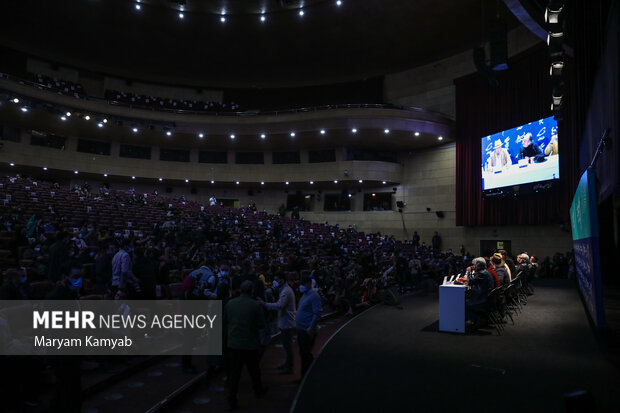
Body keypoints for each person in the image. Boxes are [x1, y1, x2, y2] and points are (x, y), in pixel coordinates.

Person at [224, 280, 268, 410]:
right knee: (254, 371)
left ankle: (232, 399)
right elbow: (261, 324)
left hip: (233, 343)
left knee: (234, 374)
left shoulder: (230, 303)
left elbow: (226, 320)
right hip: (249, 344)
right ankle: (258, 391)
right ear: (252, 291)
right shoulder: (255, 305)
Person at [262, 273, 296, 374]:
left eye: (277, 279)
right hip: (285, 321)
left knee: (288, 345)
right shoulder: (283, 289)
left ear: (282, 280)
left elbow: (279, 305)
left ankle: (289, 367)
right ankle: (287, 364)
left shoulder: (286, 291)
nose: (275, 282)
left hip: (287, 321)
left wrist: (265, 304)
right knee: (286, 345)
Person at [295, 276, 322, 380]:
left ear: (309, 284)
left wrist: (311, 327)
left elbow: (317, 313)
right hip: (301, 329)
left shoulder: (314, 296)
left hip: (307, 330)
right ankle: (305, 376)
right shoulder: (304, 295)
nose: (301, 286)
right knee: (303, 354)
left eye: (303, 284)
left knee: (305, 354)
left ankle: (307, 377)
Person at [466, 257, 495, 327]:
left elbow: (470, 282)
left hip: (483, 299)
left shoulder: (482, 274)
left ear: (478, 265)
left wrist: (468, 272)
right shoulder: (485, 272)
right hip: (487, 296)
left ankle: (473, 322)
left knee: (466, 304)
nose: (473, 266)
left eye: (475, 265)